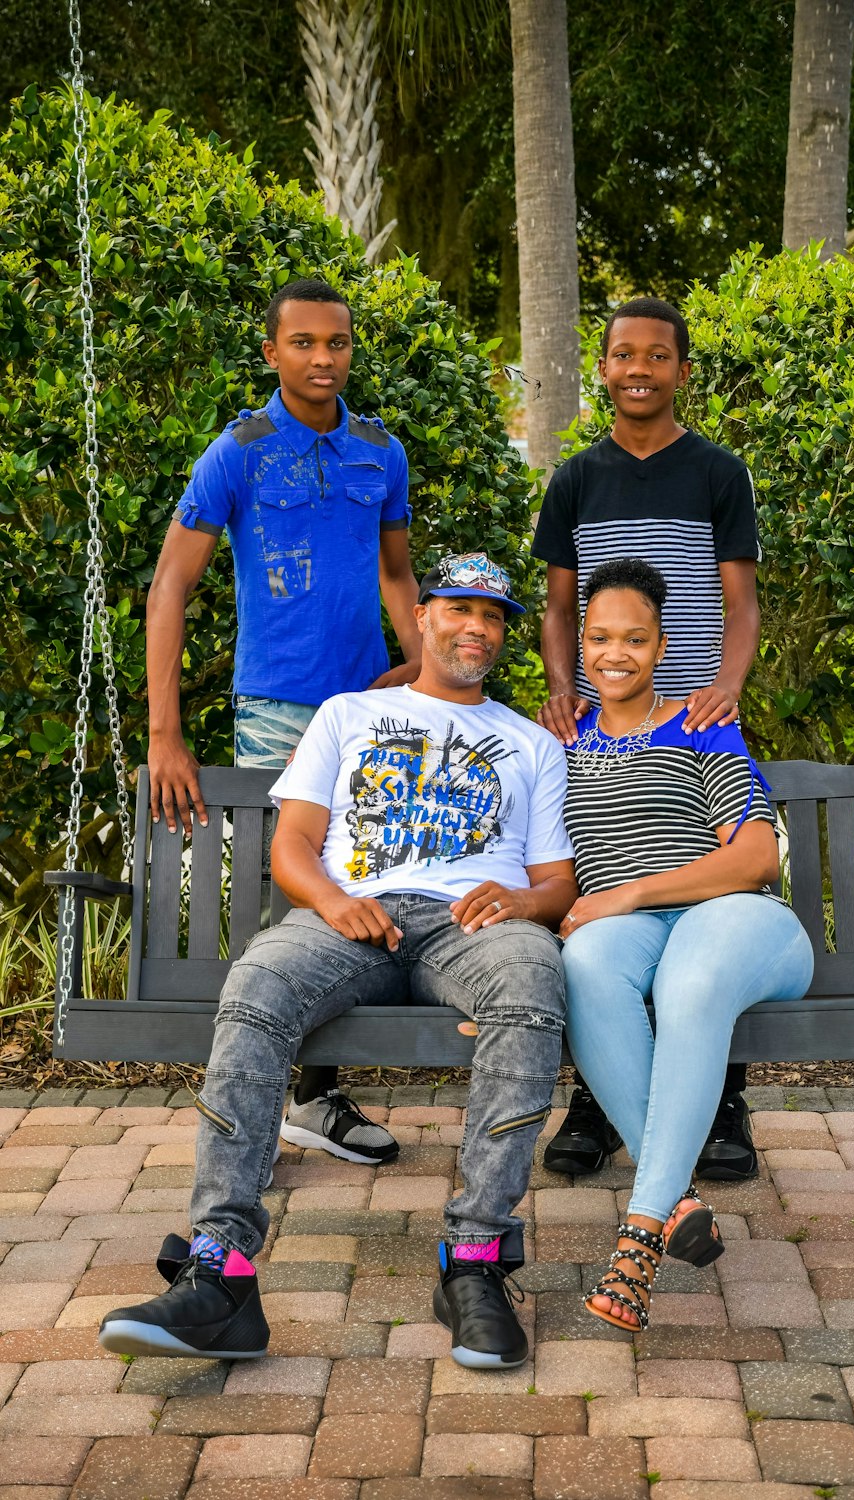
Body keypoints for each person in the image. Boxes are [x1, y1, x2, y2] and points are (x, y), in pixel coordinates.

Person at [99, 552, 576, 1370]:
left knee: (533, 987)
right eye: (460, 609)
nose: (477, 626)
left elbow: (556, 880)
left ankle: (477, 1262)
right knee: (254, 987)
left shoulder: (531, 743)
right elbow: (290, 845)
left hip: (471, 922)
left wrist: (524, 906)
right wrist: (331, 899)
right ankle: (222, 1273)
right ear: (422, 617)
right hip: (348, 915)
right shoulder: (347, 714)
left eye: (494, 616)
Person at [146, 277, 422, 1165]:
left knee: (363, 881)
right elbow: (170, 588)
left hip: (369, 709)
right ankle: (274, 1102)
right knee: (285, 893)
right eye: (302, 343)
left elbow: (397, 576)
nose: (322, 359)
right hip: (275, 708)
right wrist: (165, 731)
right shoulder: (239, 452)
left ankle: (317, 1095)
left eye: (336, 343)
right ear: (272, 352)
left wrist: (419, 665)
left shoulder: (381, 451)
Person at [532, 295, 762, 1182]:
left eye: (656, 356)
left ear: (681, 371)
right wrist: (562, 690)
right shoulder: (576, 480)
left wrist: (726, 686)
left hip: (696, 718)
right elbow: (559, 607)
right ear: (602, 368)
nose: (638, 369)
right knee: (603, 875)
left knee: (711, 905)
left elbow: (740, 605)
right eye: (622, 354)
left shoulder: (716, 471)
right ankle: (598, 1099)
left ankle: (723, 1102)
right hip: (607, 716)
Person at [556, 558, 814, 1331]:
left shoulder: (702, 724)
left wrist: (631, 891)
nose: (615, 653)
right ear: (580, 644)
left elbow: (755, 856)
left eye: (635, 638)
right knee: (584, 966)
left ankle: (639, 1235)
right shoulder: (562, 741)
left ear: (662, 646)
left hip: (735, 920)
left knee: (689, 982)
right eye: (599, 637)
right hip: (628, 934)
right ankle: (676, 1202)